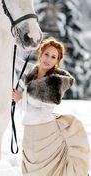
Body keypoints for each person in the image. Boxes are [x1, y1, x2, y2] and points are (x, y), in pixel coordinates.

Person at [12, 38, 90, 176]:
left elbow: (41, 114)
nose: (48, 59)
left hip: (45, 131)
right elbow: (15, 62)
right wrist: (9, 42)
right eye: (46, 54)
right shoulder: (33, 71)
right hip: (29, 132)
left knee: (46, 171)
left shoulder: (55, 83)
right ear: (40, 54)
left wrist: (19, 100)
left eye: (53, 57)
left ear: (57, 61)